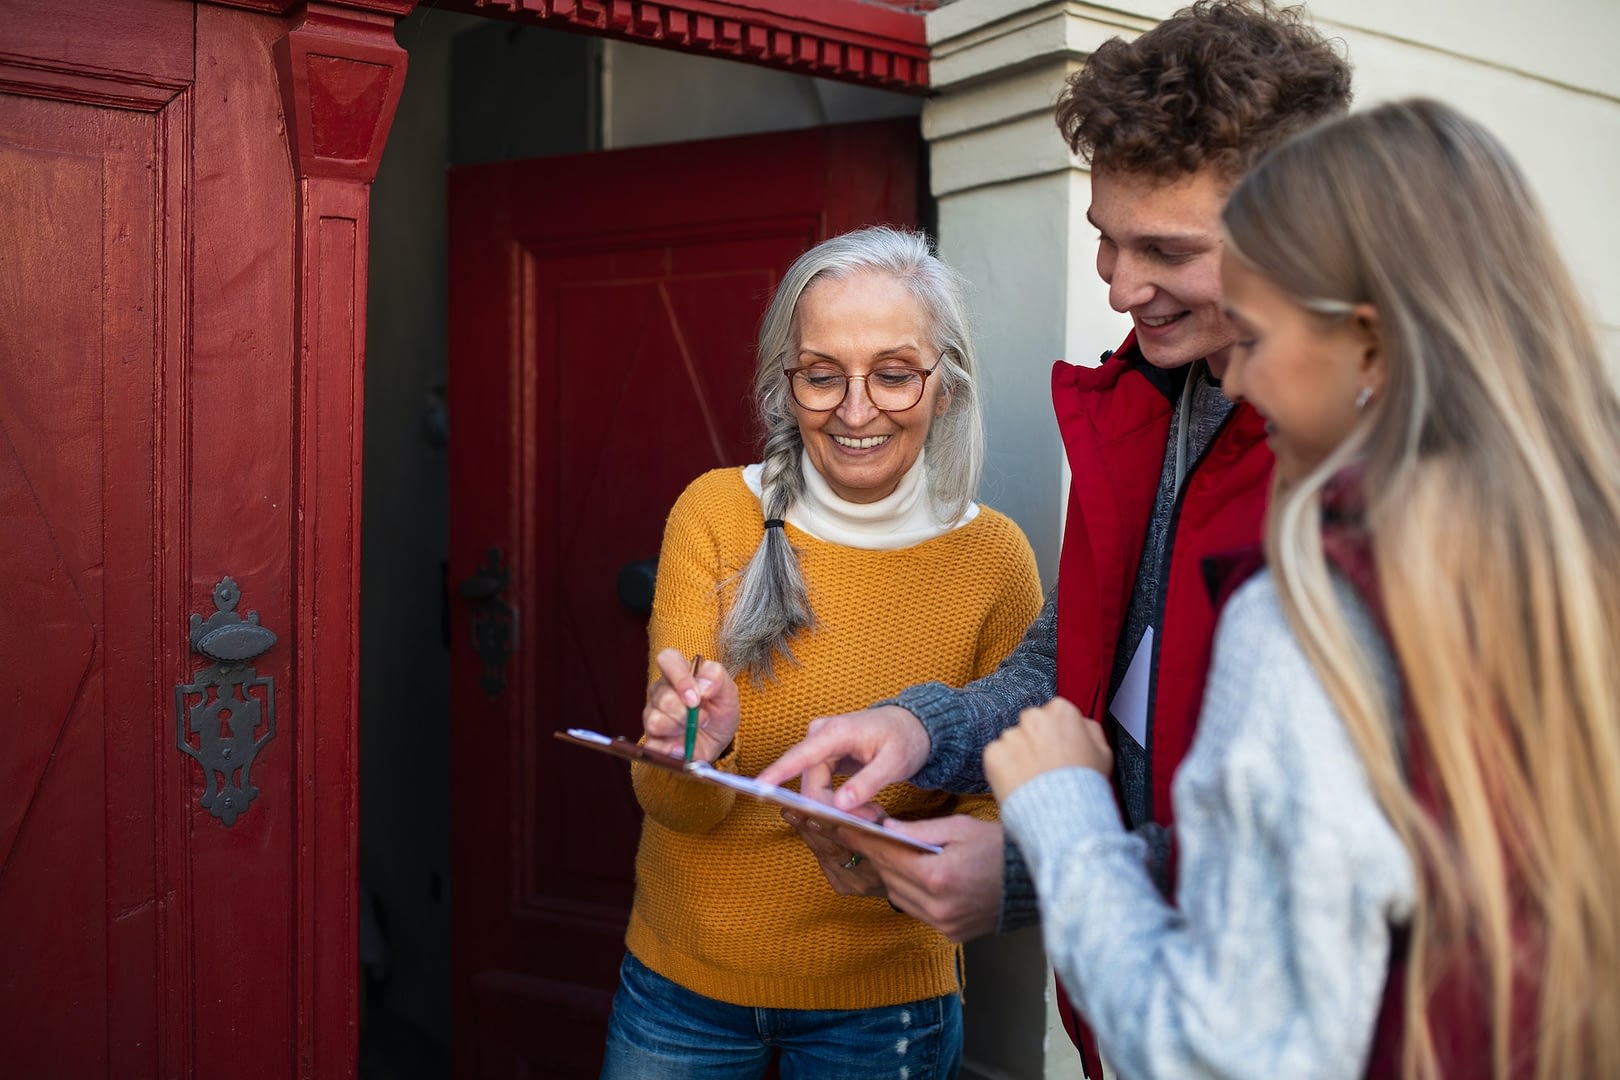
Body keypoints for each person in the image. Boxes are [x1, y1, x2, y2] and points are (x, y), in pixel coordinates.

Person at [759, 2, 1350, 1068]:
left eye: (1166, 249)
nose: (1121, 290)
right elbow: (1085, 656)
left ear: (1300, 227)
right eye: (1105, 242)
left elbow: (1341, 847)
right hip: (1130, 1002)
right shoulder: (1151, 398)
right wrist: (917, 728)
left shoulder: (1351, 456)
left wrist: (1035, 871)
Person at [986, 97, 1620, 1079]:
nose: (1236, 379)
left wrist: (1062, 816)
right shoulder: (1570, 557)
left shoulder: (1308, 615)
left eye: (1257, 333)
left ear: (1368, 345)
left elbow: (1216, 1052)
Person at [599, 226, 1043, 1079]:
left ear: (944, 387)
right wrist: (697, 746)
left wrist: (890, 855)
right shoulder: (714, 518)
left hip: (884, 1006)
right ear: (786, 385)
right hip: (682, 981)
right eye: (822, 374)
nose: (855, 408)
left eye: (894, 372)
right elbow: (674, 801)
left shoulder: (995, 560)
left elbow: (999, 805)